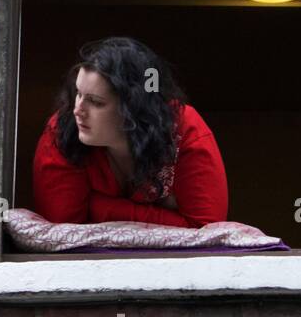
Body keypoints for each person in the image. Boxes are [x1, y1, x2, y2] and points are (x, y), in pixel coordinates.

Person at [32, 37, 228, 228]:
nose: (78, 110)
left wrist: (97, 206)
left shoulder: (183, 128)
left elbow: (206, 231)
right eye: (78, 94)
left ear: (134, 109)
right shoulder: (62, 129)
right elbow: (63, 232)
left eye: (96, 102)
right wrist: (167, 213)